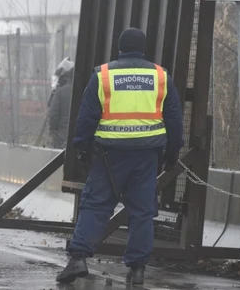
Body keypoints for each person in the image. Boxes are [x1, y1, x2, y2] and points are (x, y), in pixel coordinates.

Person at [56, 28, 184, 286]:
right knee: (142, 212)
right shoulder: (160, 76)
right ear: (144, 49)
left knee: (95, 205)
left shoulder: (103, 75)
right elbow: (174, 118)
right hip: (146, 157)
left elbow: (87, 116)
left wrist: (82, 148)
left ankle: (79, 258)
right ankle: (137, 270)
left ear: (120, 48)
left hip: (108, 156)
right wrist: (172, 153)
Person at [47, 59, 74, 148]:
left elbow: (52, 113)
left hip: (61, 136)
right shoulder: (84, 91)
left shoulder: (60, 92)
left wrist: (52, 130)